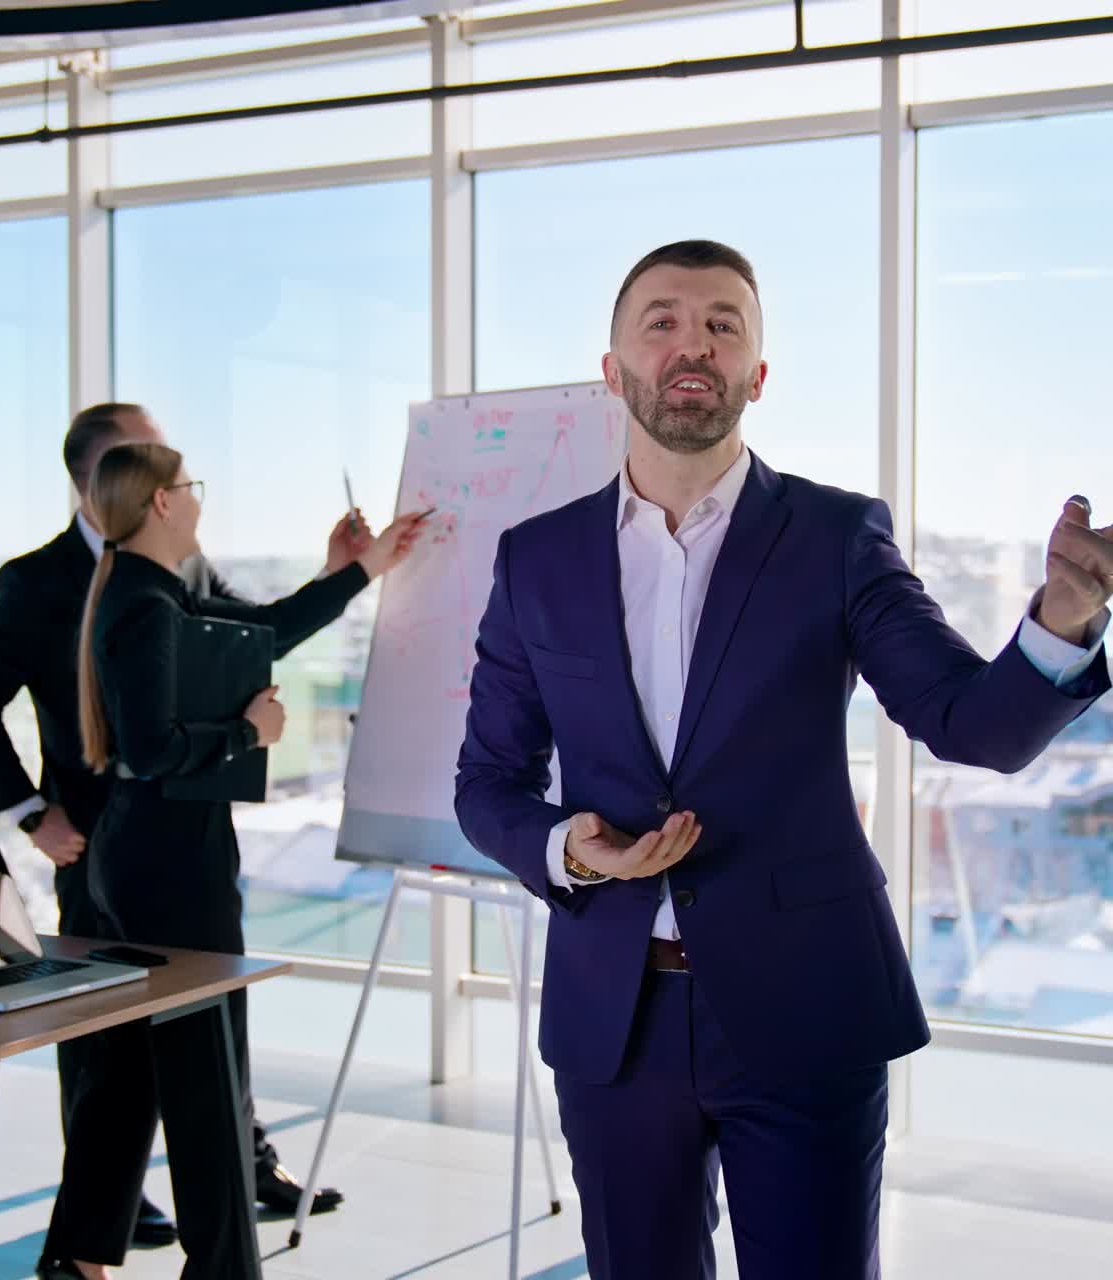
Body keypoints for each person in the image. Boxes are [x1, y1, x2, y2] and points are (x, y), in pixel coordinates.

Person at [454, 240, 1112, 1280]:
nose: (692, 342)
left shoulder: (837, 534)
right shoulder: (534, 557)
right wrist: (568, 847)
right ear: (612, 367)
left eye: (722, 324)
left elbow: (966, 721)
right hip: (613, 1018)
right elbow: (484, 783)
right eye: (661, 319)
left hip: (806, 1007)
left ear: (755, 375)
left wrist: (1062, 619)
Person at [0, 403, 357, 1264]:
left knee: (167, 1052)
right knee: (118, 1056)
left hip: (171, 838)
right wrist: (29, 811)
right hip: (98, 844)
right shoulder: (43, 580)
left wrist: (345, 574)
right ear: (106, 480)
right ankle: (119, 1218)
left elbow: (257, 634)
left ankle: (203, 1189)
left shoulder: (177, 568)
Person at [42, 440, 423, 1280]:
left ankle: (77, 1256)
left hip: (154, 853)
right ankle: (218, 1270)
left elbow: (262, 633)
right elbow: (149, 748)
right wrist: (249, 734)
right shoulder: (144, 605)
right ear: (164, 504)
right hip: (169, 860)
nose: (200, 500)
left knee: (133, 1070)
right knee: (203, 1067)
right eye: (191, 487)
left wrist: (352, 571)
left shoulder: (155, 591)